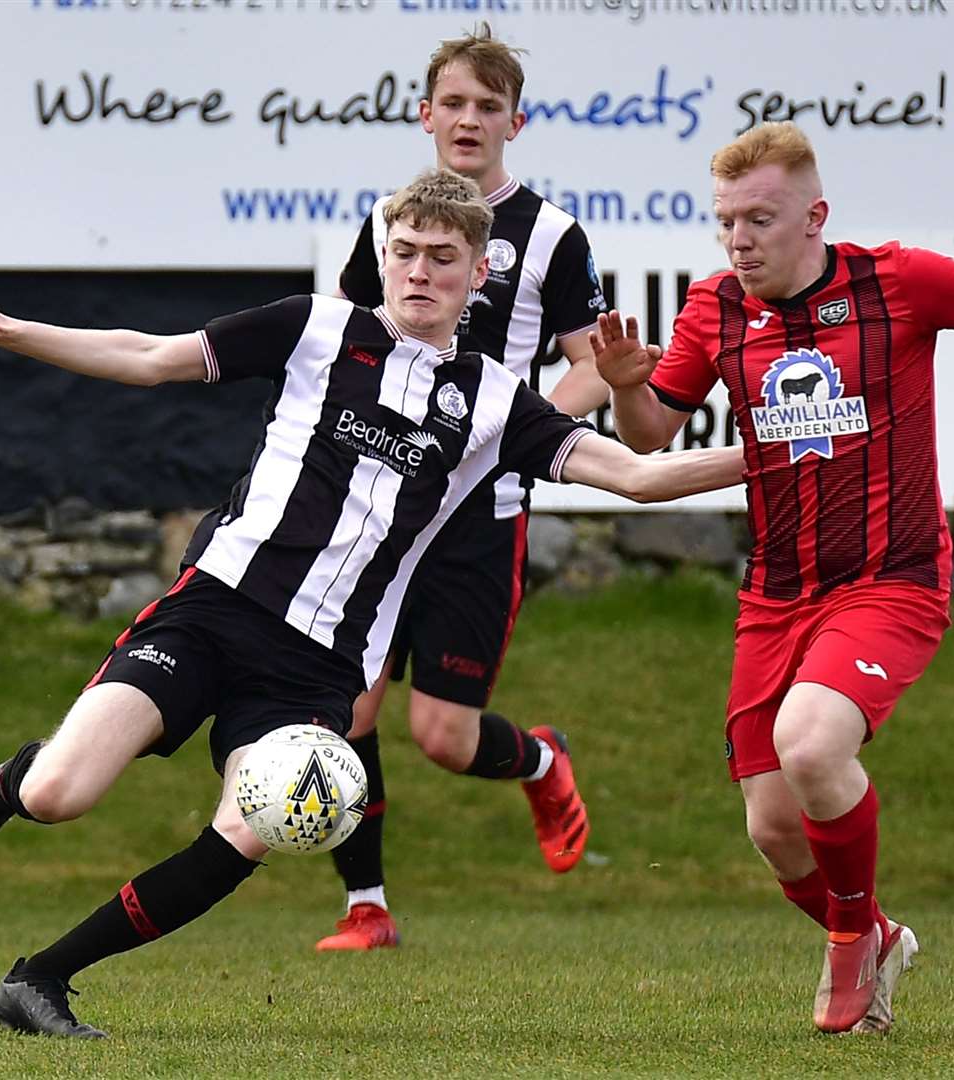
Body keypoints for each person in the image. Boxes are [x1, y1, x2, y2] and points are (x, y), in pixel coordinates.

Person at [0, 168, 742, 1039]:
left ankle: (41, 980)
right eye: (405, 252)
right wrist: (0, 329)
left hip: (319, 668)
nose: (420, 271)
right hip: (215, 609)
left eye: (442, 258)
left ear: (477, 276)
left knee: (248, 832)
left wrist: (782, 451)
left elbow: (643, 477)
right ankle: (19, 778)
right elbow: (154, 359)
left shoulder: (497, 403)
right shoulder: (317, 327)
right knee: (60, 796)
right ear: (385, 258)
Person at [591, 122, 954, 1035]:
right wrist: (623, 385)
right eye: (726, 221)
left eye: (760, 219)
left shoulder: (899, 280)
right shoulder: (715, 308)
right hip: (776, 591)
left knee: (813, 746)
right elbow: (652, 436)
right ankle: (878, 934)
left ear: (815, 217)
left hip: (892, 578)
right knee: (773, 828)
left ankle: (853, 939)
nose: (739, 240)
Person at [322, 26, 611, 951]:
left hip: (478, 517)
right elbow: (348, 347)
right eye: (454, 102)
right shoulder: (387, 222)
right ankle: (366, 907)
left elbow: (594, 367)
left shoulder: (553, 235)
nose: (469, 120)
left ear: (515, 123)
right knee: (348, 709)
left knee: (444, 737)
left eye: (489, 106)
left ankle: (538, 757)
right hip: (383, 505)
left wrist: (509, 436)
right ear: (426, 114)